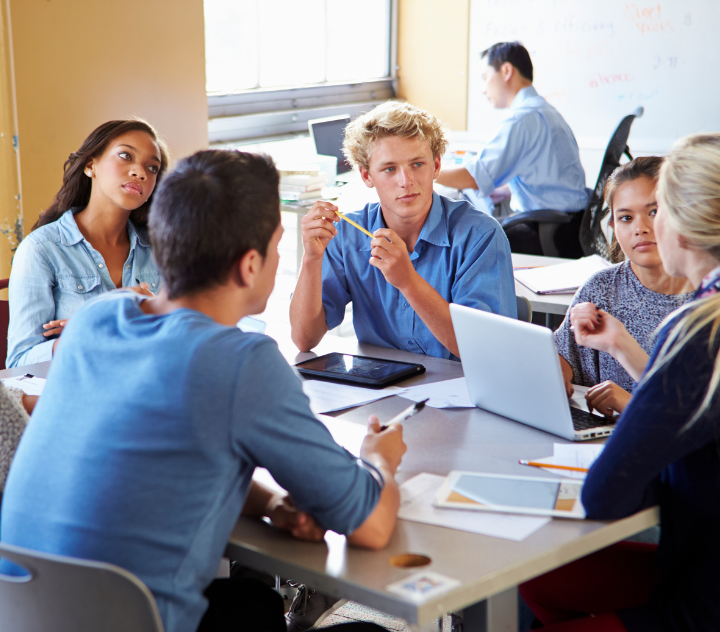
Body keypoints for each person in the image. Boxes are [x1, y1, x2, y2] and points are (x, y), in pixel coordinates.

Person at [0, 149, 405, 632]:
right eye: (278, 246)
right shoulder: (242, 362)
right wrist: (380, 458)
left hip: (28, 615)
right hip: (139, 621)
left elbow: (154, 453)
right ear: (250, 265)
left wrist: (270, 503)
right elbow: (371, 527)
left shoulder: (93, 324)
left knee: (246, 603)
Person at [519, 133, 720, 631]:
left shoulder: (696, 330)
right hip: (700, 562)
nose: (645, 229)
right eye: (627, 217)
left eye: (658, 212)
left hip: (701, 601)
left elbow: (605, 495)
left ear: (683, 223)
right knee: (537, 578)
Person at [289, 100, 516, 361]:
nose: (406, 182)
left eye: (417, 164)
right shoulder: (348, 236)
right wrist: (312, 259)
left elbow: (485, 350)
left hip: (460, 392)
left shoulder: (480, 236)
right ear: (366, 176)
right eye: (389, 169)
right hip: (381, 392)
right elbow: (304, 339)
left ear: (436, 166)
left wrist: (408, 281)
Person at [6, 118, 170, 368]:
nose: (140, 172)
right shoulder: (41, 249)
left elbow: (184, 337)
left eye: (153, 168)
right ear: (90, 165)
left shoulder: (162, 249)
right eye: (126, 155)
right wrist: (89, 328)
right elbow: (19, 363)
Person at [555, 157, 694, 416]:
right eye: (626, 218)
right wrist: (551, 376)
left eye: (653, 212)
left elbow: (700, 421)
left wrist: (632, 405)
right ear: (612, 228)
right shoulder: (601, 288)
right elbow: (561, 361)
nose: (639, 228)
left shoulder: (707, 301)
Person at [435, 42, 589, 257]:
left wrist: (424, 169)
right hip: (570, 229)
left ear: (506, 71)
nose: (483, 88)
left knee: (459, 242)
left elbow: (472, 178)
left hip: (549, 233)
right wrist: (508, 190)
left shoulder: (521, 119)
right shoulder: (545, 111)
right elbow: (550, 174)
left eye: (485, 77)